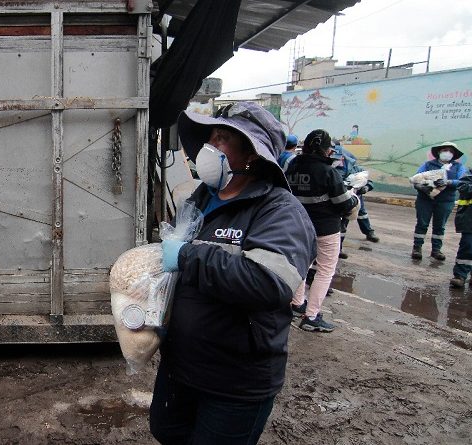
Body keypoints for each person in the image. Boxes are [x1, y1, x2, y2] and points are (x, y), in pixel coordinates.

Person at [150, 102, 316, 444]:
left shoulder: (281, 212)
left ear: (252, 154)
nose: (212, 145)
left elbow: (268, 282)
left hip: (235, 380)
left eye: (224, 138)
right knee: (166, 432)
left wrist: (187, 257)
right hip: (182, 365)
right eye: (212, 135)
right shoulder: (199, 200)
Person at [285, 129, 358, 333]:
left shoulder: (292, 168)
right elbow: (344, 204)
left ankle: (296, 303)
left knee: (302, 266)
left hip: (299, 226)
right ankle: (312, 316)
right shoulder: (327, 172)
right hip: (325, 229)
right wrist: (354, 196)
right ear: (326, 150)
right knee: (325, 270)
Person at [411, 142, 467, 261]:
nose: (447, 153)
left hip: (445, 201)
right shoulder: (428, 165)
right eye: (445, 150)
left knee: (439, 226)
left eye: (451, 151)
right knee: (422, 224)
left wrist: (448, 182)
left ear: (454, 154)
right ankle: (417, 248)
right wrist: (421, 187)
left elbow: (463, 182)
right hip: (425, 200)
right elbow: (416, 178)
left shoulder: (458, 167)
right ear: (439, 152)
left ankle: (436, 250)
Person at [332, 144, 379, 260]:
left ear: (343, 157)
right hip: (336, 201)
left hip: (352, 200)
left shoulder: (354, 168)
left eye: (338, 158)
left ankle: (340, 248)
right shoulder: (330, 168)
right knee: (335, 226)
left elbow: (369, 181)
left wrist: (366, 188)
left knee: (354, 219)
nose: (336, 160)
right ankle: (335, 249)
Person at [450, 171, 472, 288]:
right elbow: (463, 187)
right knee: (468, 246)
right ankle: (460, 275)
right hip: (469, 219)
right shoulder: (469, 175)